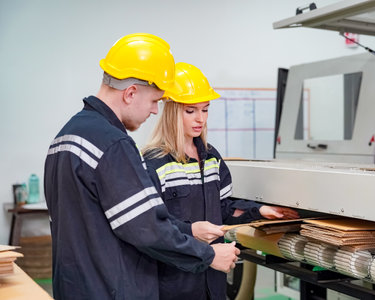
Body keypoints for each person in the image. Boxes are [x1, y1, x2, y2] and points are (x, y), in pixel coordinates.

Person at [44, 33, 240, 300]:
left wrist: (189, 230)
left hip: (75, 287)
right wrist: (208, 256)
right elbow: (146, 230)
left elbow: (112, 222)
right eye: (154, 101)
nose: (155, 112)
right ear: (131, 93)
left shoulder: (67, 136)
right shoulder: (113, 144)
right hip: (110, 288)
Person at [142, 62, 300, 300]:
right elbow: (151, 228)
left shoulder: (212, 158)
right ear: (172, 110)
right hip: (175, 284)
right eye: (191, 110)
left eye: (205, 110)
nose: (200, 119)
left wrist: (261, 210)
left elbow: (224, 209)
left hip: (213, 282)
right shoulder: (154, 163)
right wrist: (192, 231)